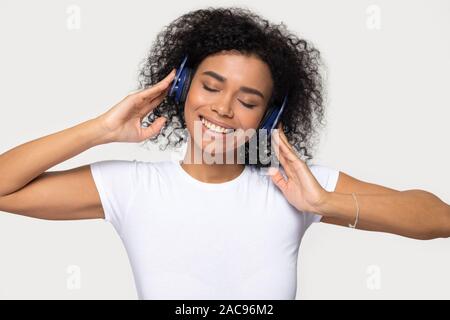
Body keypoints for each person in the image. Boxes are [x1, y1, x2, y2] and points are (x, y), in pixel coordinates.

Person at [0, 7, 449, 300]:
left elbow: (438, 218)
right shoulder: (131, 187)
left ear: (269, 118)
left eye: (248, 101)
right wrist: (100, 129)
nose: (222, 108)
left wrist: (323, 204)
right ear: (182, 88)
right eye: (211, 87)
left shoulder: (295, 187)